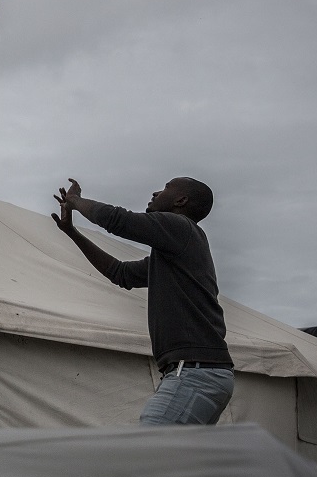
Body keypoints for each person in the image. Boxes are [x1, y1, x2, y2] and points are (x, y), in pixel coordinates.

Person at [52, 177, 233, 425]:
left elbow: (118, 220)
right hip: (199, 372)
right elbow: (121, 274)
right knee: (172, 460)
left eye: (167, 187)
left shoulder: (180, 227)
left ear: (181, 200)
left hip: (194, 372)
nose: (156, 191)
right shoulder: (174, 253)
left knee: (147, 453)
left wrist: (75, 201)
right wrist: (73, 233)